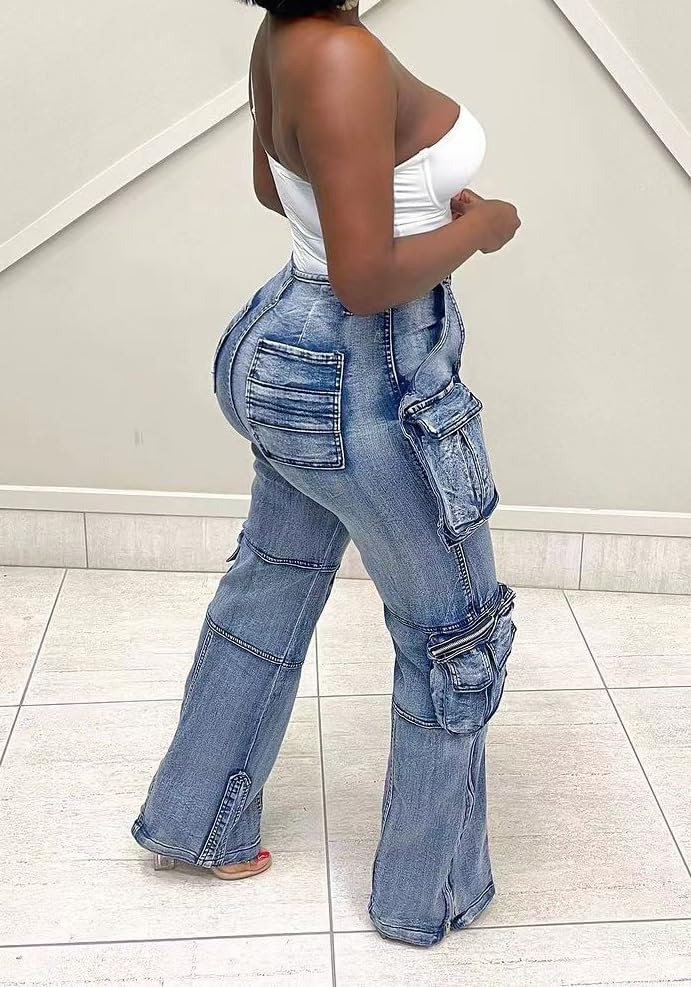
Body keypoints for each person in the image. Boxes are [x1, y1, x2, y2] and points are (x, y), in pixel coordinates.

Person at [131, 0, 521, 948]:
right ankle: (423, 896)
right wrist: (481, 227)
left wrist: (410, 204)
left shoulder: (285, 33)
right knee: (456, 634)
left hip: (290, 350)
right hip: (364, 369)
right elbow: (364, 278)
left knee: (268, 589)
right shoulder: (343, 52)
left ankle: (197, 821)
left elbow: (277, 190)